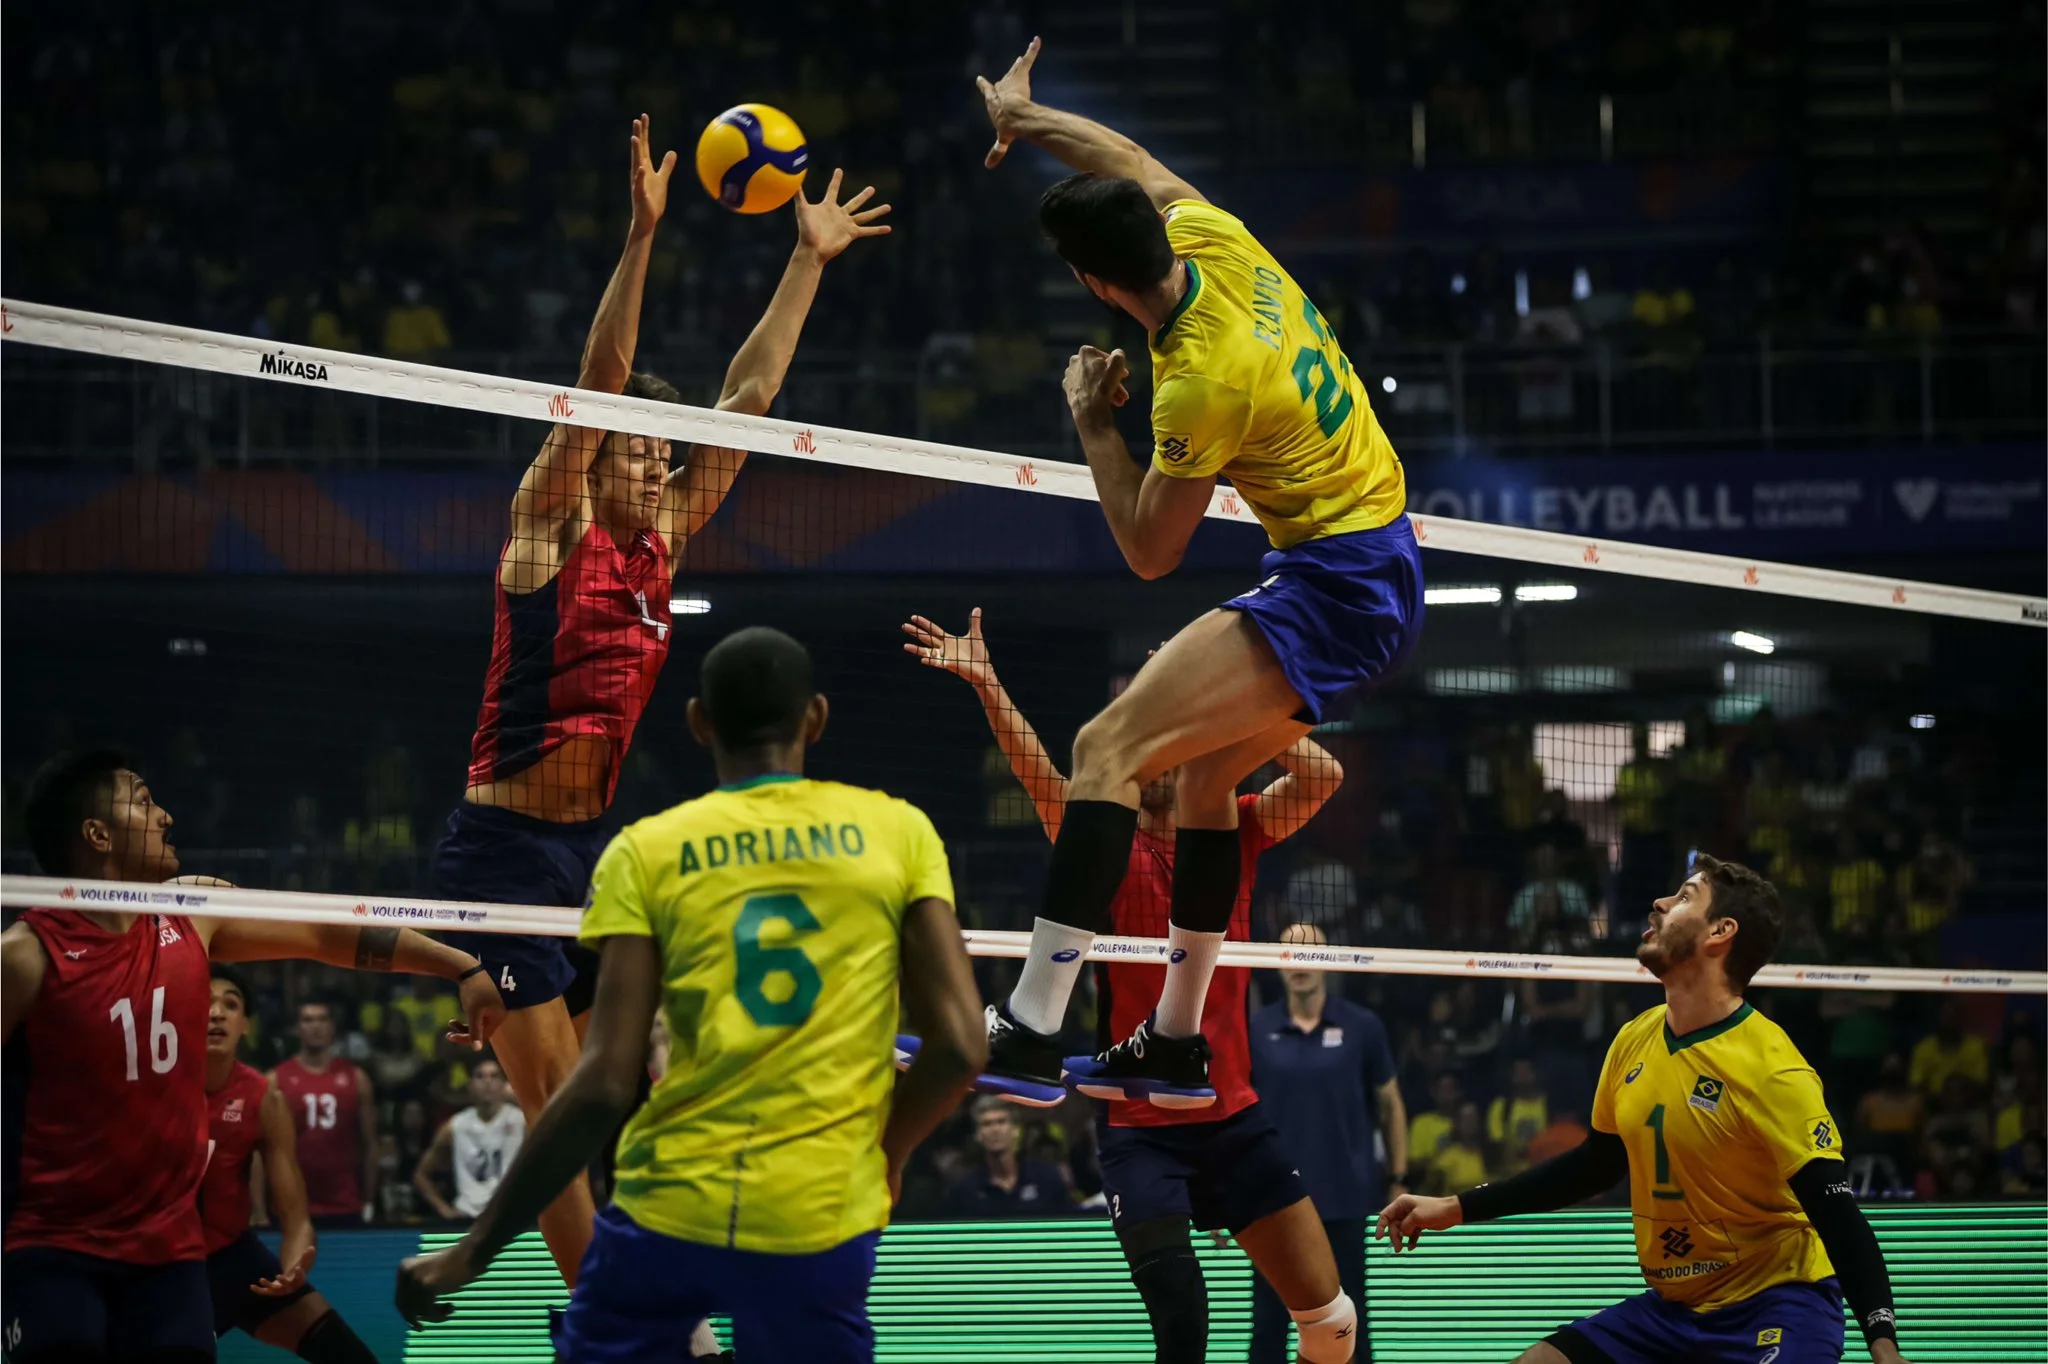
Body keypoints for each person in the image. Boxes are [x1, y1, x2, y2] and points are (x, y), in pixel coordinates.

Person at [424, 115, 891, 1287]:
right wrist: (641, 234)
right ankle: (604, 1321)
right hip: (500, 856)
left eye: (665, 456)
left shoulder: (663, 540)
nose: (660, 465)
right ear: (601, 457)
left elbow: (747, 392)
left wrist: (804, 259)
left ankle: (638, 1279)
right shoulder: (548, 533)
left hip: (591, 856)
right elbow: (601, 382)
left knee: (627, 1088)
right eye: (641, 451)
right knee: (555, 1099)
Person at [970, 39, 1420, 1124]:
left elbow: (1147, 549)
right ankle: (1172, 1044)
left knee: (1103, 749)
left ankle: (1030, 1021)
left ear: (1090, 284)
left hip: (1335, 581)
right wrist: (1023, 117)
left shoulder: (1198, 382)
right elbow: (1124, 151)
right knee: (1207, 787)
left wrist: (1089, 420)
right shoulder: (1218, 240)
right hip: (1378, 555)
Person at [395, 627, 987, 1363]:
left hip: (670, 1210)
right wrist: (886, 1155)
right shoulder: (898, 832)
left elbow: (602, 1084)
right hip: (821, 1206)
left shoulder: (647, 850)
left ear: (700, 722)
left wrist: (472, 1250)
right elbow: (962, 1046)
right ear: (817, 719)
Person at [902, 607, 1360, 1361]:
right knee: (1182, 1325)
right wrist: (987, 684)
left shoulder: (1238, 827)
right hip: (1140, 1129)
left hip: (1232, 1118)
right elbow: (1043, 778)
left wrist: (1222, 695)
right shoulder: (1106, 844)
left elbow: (1323, 776)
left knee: (1333, 1324)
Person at [1, 748, 502, 1364]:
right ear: (97, 834)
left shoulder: (190, 912)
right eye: (141, 800)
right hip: (55, 1250)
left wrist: (460, 964)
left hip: (170, 1254)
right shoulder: (23, 956)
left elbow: (324, 932)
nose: (164, 817)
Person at [1379, 855, 1913, 1364]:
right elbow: (1595, 1167)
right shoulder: (1634, 1039)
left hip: (1776, 1303)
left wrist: (1884, 1346)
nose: (1658, 903)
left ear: (1719, 933)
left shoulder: (1774, 1069)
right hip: (1672, 1312)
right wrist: (1455, 1207)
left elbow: (1838, 1215)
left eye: (1683, 898)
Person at [1247, 922, 1408, 1364]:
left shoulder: (1362, 1026)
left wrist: (1397, 1177)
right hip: (1271, 1204)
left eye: (1310, 951)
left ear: (1329, 958)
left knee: (1350, 1319)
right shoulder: (1255, 1030)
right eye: (1291, 953)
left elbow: (1390, 1103)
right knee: (1268, 1325)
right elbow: (1234, 1117)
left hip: (1344, 1197)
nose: (1301, 962)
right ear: (1277, 964)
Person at [202, 966, 376, 1362]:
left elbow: (296, 1216)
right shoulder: (154, 1086)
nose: (216, 1013)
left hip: (234, 1257)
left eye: (230, 1005)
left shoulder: (264, 1096)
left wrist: (294, 1263)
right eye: (204, 1003)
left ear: (245, 1025)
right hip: (167, 1265)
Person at [271, 1002, 377, 1229]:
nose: (315, 1027)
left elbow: (369, 1144)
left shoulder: (356, 1078)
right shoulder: (276, 1079)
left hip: (345, 1203)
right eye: (308, 1020)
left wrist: (369, 1200)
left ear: (332, 1027)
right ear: (297, 1028)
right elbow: (265, 1149)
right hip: (292, 1204)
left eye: (322, 1020)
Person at [411, 1058, 525, 1222]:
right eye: (480, 1076)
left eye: (494, 1076)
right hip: (466, 1217)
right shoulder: (455, 1126)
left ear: (504, 1084)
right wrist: (444, 1210)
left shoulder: (522, 1121)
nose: (487, 1082)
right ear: (470, 1085)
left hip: (508, 1216)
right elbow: (420, 1176)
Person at [944, 1096, 1072, 1218]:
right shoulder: (963, 1190)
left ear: (1015, 1129)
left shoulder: (1048, 1178)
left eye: (1001, 1122)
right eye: (987, 1124)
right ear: (978, 1135)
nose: (995, 1130)